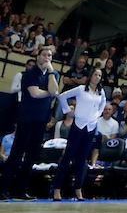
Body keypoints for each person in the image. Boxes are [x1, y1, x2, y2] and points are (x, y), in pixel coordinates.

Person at [0, 47, 59, 200]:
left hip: (41, 120)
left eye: (50, 56)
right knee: (16, 154)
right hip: (27, 119)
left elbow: (55, 90)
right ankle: (2, 188)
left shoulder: (54, 74)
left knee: (32, 157)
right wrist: (49, 92)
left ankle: (20, 190)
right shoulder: (30, 73)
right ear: (38, 56)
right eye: (44, 55)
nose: (47, 58)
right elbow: (34, 93)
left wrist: (51, 73)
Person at [52, 66, 106, 201]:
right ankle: (57, 189)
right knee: (68, 156)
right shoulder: (81, 89)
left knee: (82, 160)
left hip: (91, 128)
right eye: (95, 75)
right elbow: (62, 96)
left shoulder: (101, 92)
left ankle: (78, 190)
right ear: (90, 76)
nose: (97, 77)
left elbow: (102, 105)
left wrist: (97, 115)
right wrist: (68, 111)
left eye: (99, 76)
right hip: (78, 125)